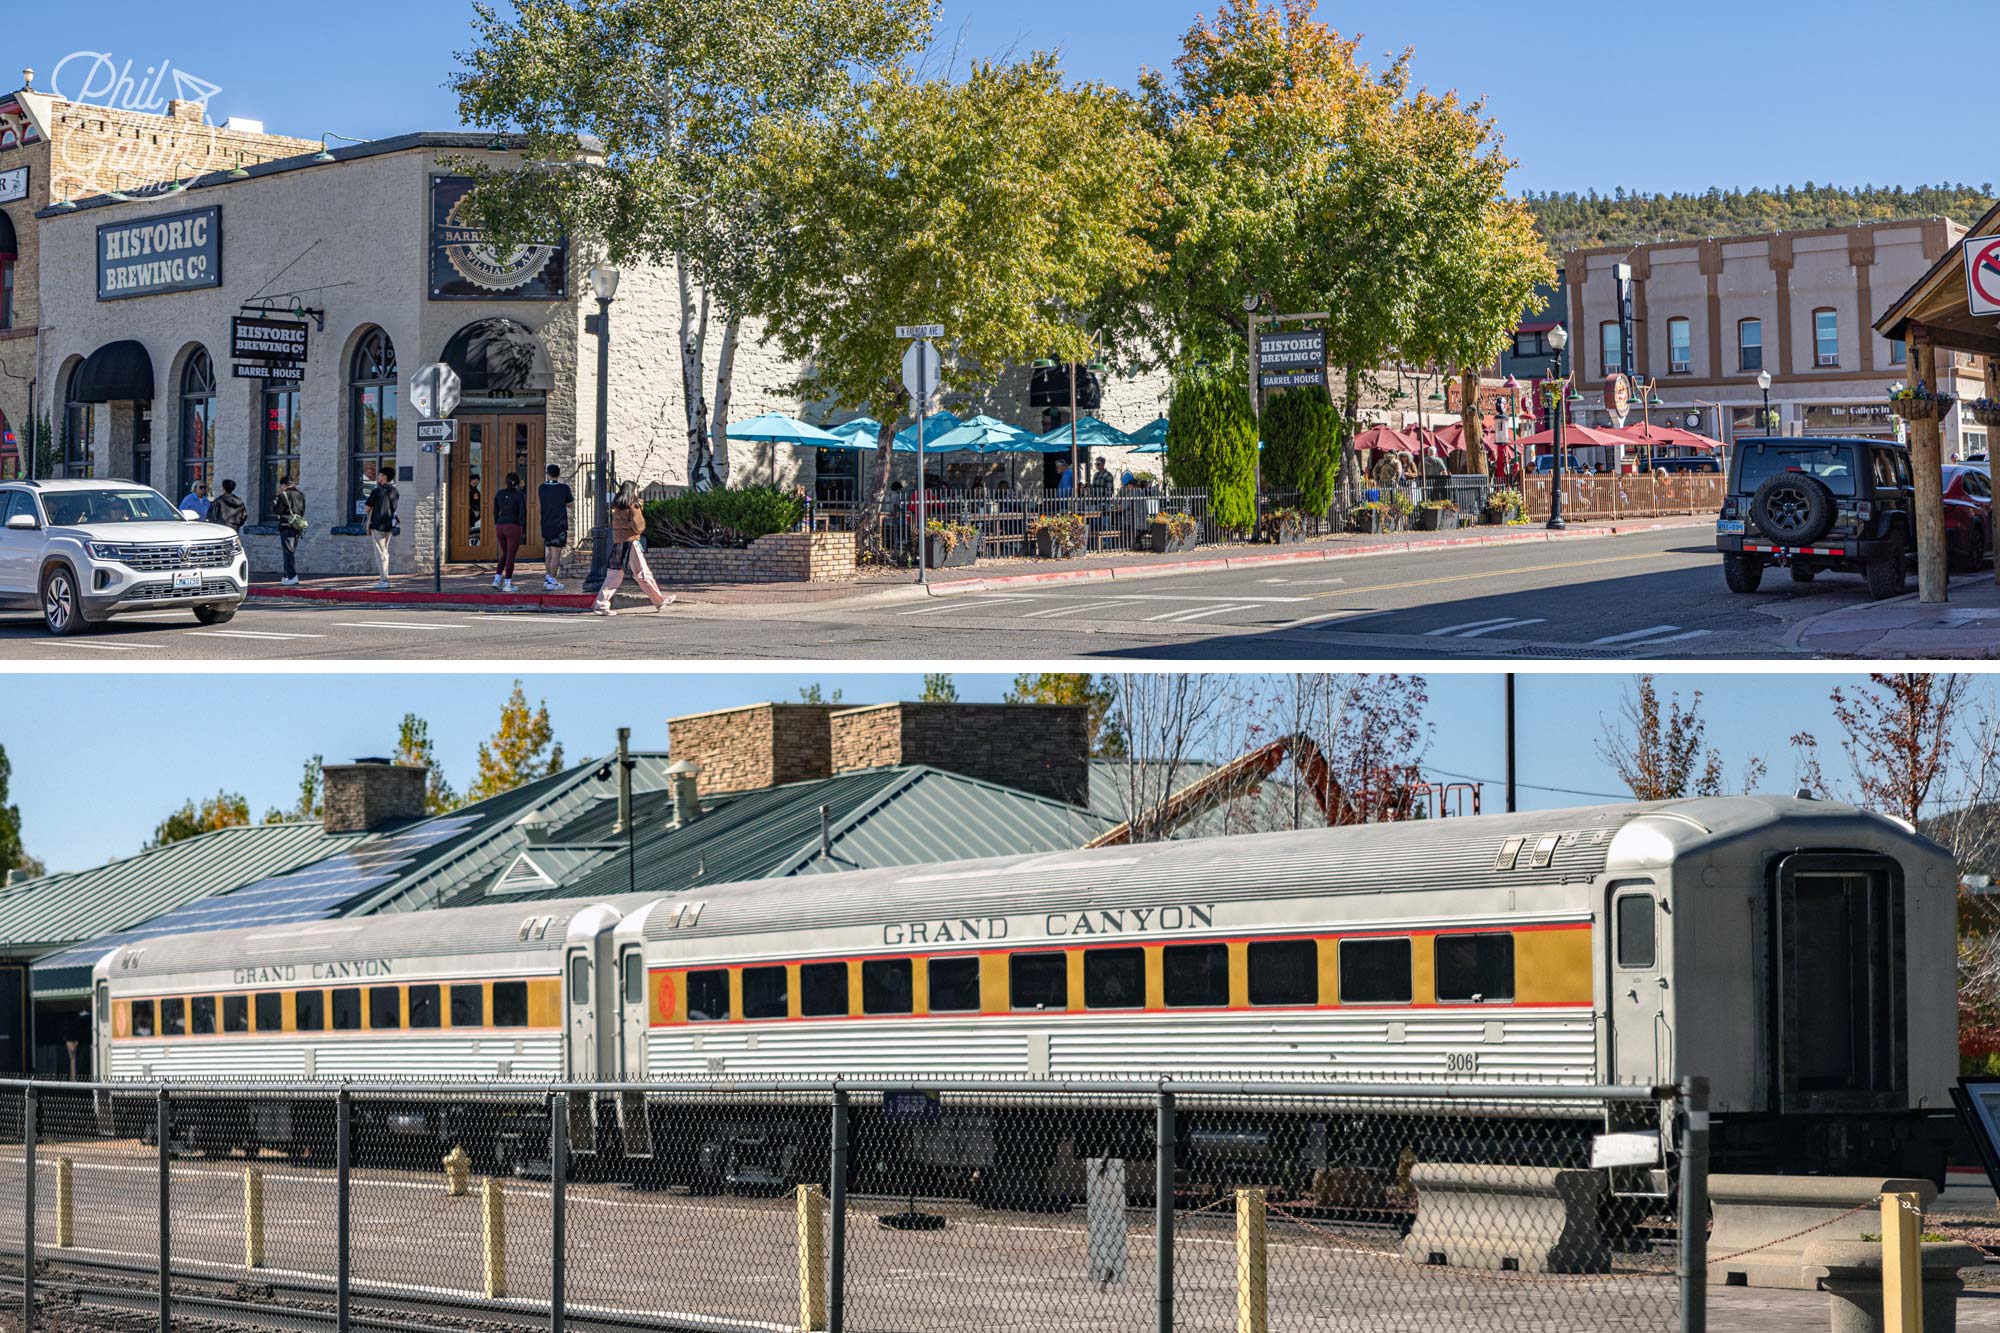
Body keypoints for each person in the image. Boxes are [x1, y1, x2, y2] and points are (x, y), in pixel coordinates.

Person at [593, 481, 675, 616]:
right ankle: (659, 601)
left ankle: (601, 604)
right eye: (636, 490)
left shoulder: (617, 507)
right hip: (631, 542)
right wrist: (639, 507)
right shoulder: (633, 506)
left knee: (614, 575)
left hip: (618, 542)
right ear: (633, 491)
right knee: (642, 573)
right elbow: (639, 527)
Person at [537, 463, 573, 592]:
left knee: (549, 552)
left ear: (548, 474)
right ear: (559, 474)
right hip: (559, 524)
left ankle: (548, 577)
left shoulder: (541, 488)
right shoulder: (563, 488)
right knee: (556, 553)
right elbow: (570, 503)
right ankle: (552, 579)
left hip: (546, 523)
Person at [492, 472, 527, 593]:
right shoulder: (520, 495)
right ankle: (507, 583)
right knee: (510, 555)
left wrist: (497, 523)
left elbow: (495, 512)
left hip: (500, 526)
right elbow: (523, 513)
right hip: (513, 526)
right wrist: (522, 527)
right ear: (517, 483)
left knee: (505, 553)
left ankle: (496, 580)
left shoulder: (499, 494)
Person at [365, 468, 399, 590]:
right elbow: (394, 507)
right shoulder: (395, 491)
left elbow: (367, 508)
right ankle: (384, 578)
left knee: (380, 553)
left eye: (379, 475)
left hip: (377, 525)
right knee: (385, 551)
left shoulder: (377, 491)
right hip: (389, 525)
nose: (378, 477)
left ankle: (384, 579)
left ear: (384, 477)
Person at [271, 475, 306, 585]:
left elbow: (277, 511)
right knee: (291, 551)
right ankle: (286, 576)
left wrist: (275, 505)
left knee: (288, 552)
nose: (281, 487)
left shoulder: (283, 495)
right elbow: (302, 510)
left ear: (284, 485)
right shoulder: (301, 494)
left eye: (281, 485)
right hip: (297, 525)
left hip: (286, 525)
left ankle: (292, 576)